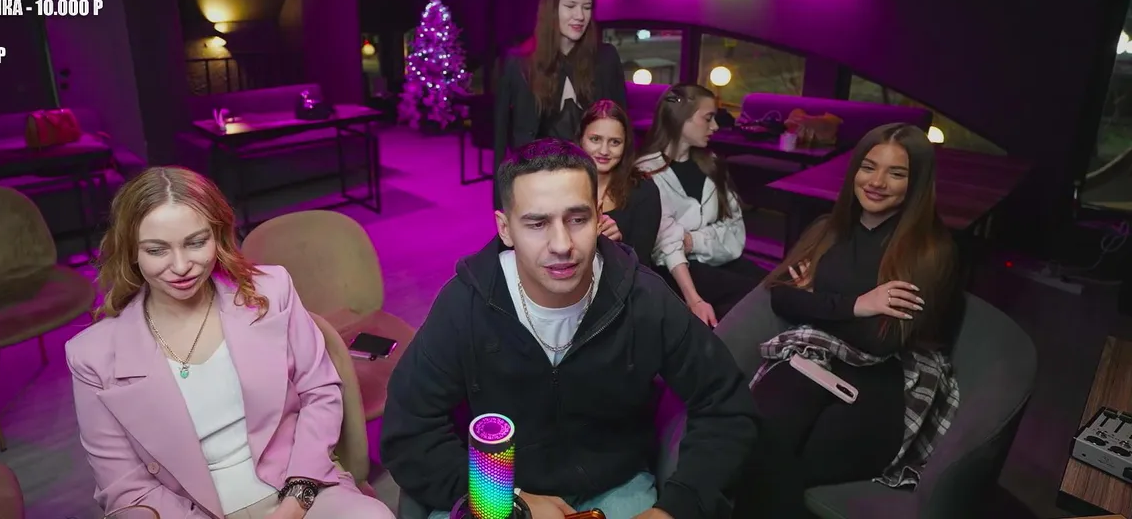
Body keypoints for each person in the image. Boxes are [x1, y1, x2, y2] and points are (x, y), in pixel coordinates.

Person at [380, 138, 759, 519]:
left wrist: (676, 508)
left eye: (577, 219)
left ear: (599, 217)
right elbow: (408, 429)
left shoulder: (644, 298)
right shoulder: (466, 303)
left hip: (614, 485)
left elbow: (726, 403)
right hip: (496, 489)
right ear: (505, 229)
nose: (562, 245)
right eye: (537, 223)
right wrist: (509, 500)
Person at [66, 167, 394, 519]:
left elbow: (320, 392)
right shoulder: (91, 356)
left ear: (218, 235)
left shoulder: (274, 290)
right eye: (157, 250)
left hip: (297, 487)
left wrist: (295, 503)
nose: (181, 266)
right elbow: (125, 487)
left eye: (196, 242)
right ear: (131, 251)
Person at [732, 123, 962, 518]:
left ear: (917, 182)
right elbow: (782, 297)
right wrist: (859, 305)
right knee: (755, 443)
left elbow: (882, 340)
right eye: (868, 167)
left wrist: (815, 301)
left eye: (896, 173)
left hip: (882, 379)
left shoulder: (929, 250)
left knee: (794, 465)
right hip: (812, 360)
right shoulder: (827, 230)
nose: (877, 182)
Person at [494, 0, 628, 205]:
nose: (580, 16)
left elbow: (620, 127)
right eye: (570, 6)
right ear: (551, 8)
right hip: (537, 180)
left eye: (587, 7)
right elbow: (501, 136)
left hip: (591, 180)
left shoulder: (606, 59)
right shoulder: (519, 62)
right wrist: (501, 202)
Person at [636, 84, 765, 327]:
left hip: (720, 258)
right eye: (708, 118)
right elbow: (665, 243)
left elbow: (735, 231)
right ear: (681, 118)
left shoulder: (712, 164)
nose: (715, 126)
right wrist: (697, 239)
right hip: (676, 270)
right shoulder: (646, 172)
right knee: (753, 300)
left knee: (772, 287)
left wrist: (692, 240)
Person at [576, 99, 669, 268]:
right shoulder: (560, 184)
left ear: (625, 145)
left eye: (615, 142)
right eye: (595, 139)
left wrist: (617, 245)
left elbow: (641, 265)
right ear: (581, 139)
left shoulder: (643, 190)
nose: (604, 150)